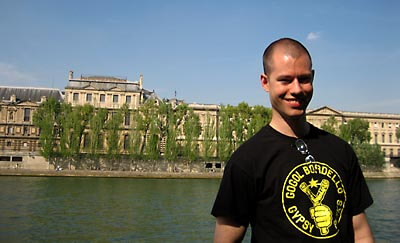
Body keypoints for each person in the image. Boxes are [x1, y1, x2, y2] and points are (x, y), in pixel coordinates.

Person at [211, 38, 374, 243]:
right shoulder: (246, 161)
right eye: (286, 80)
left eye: (304, 79)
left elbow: (361, 232)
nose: (297, 89)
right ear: (265, 82)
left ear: (313, 78)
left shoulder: (341, 150)